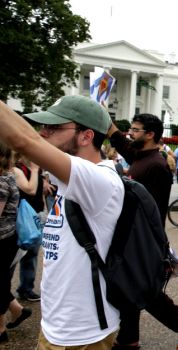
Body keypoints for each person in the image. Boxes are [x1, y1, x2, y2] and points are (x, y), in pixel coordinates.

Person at [0, 95, 124, 348]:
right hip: (56, 325)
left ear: (86, 136)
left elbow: (23, 139)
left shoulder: (98, 180)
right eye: (44, 126)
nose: (43, 133)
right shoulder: (71, 180)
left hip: (83, 334)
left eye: (53, 127)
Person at [108, 114, 178, 350]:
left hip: (142, 239)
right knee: (131, 286)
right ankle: (129, 339)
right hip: (130, 234)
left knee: (143, 290)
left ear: (150, 134)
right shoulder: (141, 156)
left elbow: (155, 212)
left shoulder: (157, 166)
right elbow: (121, 142)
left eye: (136, 130)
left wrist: (151, 244)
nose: (130, 133)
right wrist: (105, 121)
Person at [0, 143, 32, 345]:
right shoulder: (9, 176)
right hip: (7, 238)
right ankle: (17, 310)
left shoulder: (2, 181)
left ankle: (1, 330)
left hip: (2, 239)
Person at [11, 154, 43, 302]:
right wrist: (35, 171)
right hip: (22, 219)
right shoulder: (17, 169)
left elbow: (37, 186)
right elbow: (31, 189)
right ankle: (12, 294)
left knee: (31, 254)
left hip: (35, 214)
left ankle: (26, 289)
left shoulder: (33, 168)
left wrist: (44, 181)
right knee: (15, 255)